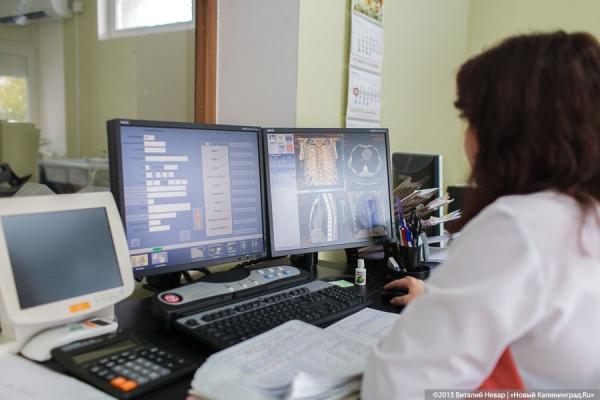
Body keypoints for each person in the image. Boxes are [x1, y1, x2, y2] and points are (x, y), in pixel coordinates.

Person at [362, 31, 600, 398]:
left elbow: (394, 386)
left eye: (471, 120)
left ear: (506, 133)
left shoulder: (521, 225)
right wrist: (440, 302)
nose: (467, 139)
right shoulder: (583, 213)